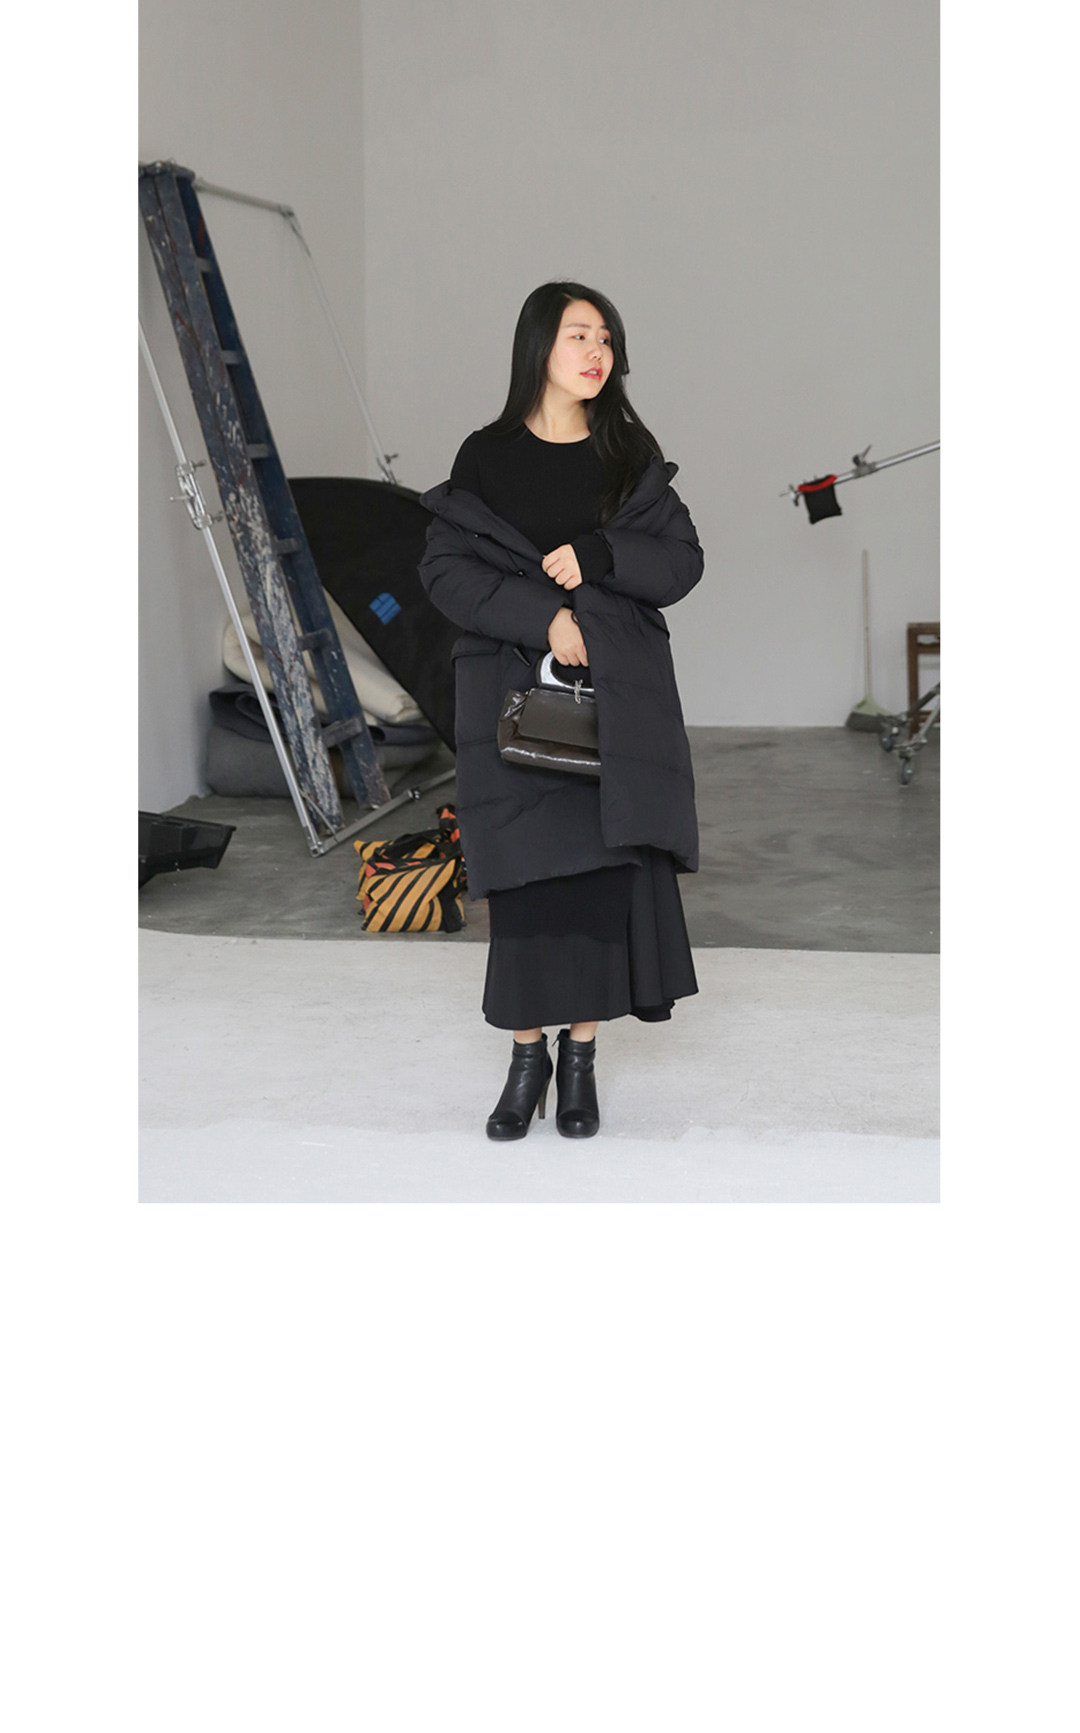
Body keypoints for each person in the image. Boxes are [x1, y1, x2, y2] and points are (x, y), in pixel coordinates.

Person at [418, 281, 704, 1141]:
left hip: (614, 710)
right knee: (524, 883)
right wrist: (543, 618)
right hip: (512, 703)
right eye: (580, 334)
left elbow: (681, 562)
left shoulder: (626, 452)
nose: (596, 352)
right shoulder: (486, 455)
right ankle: (525, 1059)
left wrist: (601, 554)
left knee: (597, 883)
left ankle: (579, 1060)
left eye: (607, 338)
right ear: (538, 345)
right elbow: (445, 572)